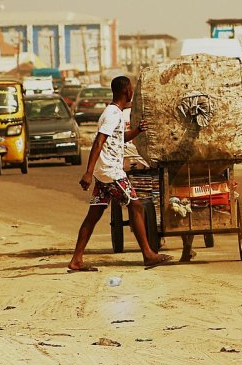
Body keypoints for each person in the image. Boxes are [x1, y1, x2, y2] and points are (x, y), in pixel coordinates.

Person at [68, 76, 171, 273]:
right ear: (127, 92)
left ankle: (76, 260)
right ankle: (148, 254)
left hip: (104, 173)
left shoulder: (114, 113)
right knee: (136, 205)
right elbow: (99, 141)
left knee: (94, 215)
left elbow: (119, 139)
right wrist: (88, 172)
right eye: (131, 89)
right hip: (111, 172)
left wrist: (138, 131)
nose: (132, 92)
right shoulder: (112, 114)